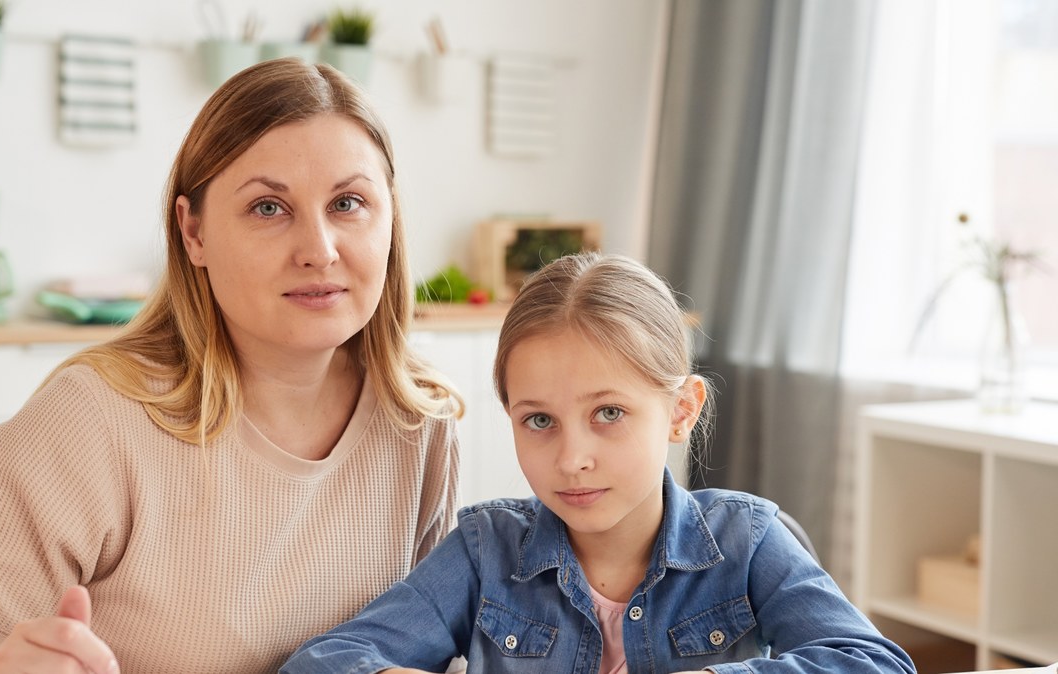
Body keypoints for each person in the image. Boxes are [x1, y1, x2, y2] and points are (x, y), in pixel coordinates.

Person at [0, 57, 462, 674]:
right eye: (268, 208)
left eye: (348, 203)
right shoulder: (94, 425)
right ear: (193, 233)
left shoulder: (420, 421)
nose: (318, 250)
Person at [281, 252, 915, 674]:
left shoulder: (747, 542)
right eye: (538, 421)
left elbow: (876, 662)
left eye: (608, 413)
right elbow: (322, 662)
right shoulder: (484, 550)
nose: (572, 459)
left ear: (680, 409)